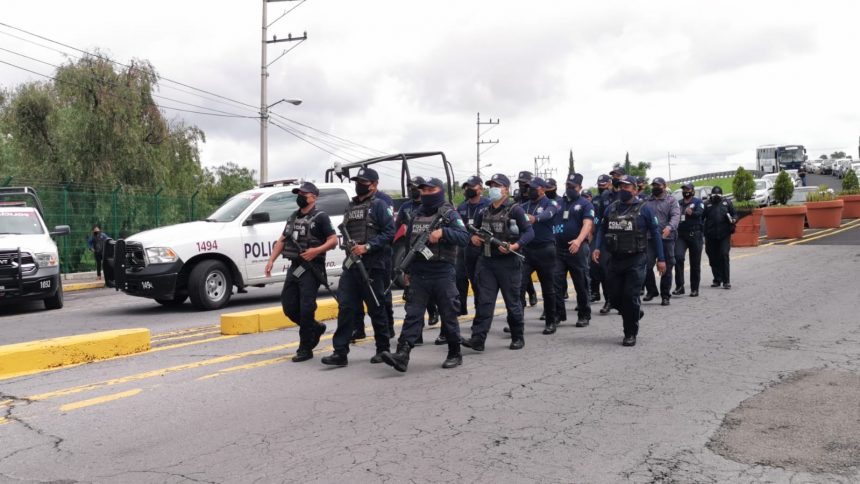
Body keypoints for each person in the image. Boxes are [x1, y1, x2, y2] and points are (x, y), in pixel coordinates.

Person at [380, 177, 469, 372]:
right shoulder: (416, 215)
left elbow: (464, 237)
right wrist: (407, 270)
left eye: (431, 190)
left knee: (448, 314)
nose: (426, 194)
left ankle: (455, 353)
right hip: (419, 273)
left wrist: (443, 233)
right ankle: (402, 355)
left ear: (440, 191)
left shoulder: (449, 214)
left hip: (442, 272)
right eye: (424, 191)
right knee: (413, 314)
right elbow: (409, 245)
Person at [322, 167, 395, 367]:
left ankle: (383, 349)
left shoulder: (379, 205)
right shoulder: (351, 206)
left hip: (372, 265)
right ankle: (340, 352)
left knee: (376, 308)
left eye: (363, 182)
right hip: (352, 265)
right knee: (346, 307)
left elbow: (390, 232)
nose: (359, 185)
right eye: (357, 181)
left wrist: (368, 246)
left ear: (374, 185)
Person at [264, 182, 338, 362]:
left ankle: (305, 348)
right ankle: (315, 327)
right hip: (296, 267)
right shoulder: (293, 217)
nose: (300, 197)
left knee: (306, 308)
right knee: (289, 306)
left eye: (303, 194)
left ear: (313, 197)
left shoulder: (321, 217)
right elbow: (282, 240)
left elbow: (333, 240)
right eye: (298, 194)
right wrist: (271, 260)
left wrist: (315, 251)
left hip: (312, 268)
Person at [462, 173, 534, 351]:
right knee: (484, 302)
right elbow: (474, 230)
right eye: (491, 186)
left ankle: (517, 336)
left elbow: (529, 232)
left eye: (497, 186)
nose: (493, 189)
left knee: (512, 302)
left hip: (509, 263)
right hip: (487, 262)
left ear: (506, 190)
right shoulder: (484, 211)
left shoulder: (515, 210)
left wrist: (515, 245)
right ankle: (478, 339)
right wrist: (474, 238)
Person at [593, 175, 665, 347]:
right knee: (614, 297)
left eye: (626, 187)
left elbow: (655, 234)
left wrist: (661, 259)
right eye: (620, 187)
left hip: (636, 259)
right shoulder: (611, 208)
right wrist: (597, 247)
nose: (622, 190)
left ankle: (630, 333)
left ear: (635, 189)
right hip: (615, 259)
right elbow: (602, 229)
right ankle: (634, 312)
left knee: (630, 296)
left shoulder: (645, 209)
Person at [397, 176, 440, 344]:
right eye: (411, 187)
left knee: (432, 292)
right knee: (413, 299)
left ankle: (433, 310)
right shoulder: (406, 207)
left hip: (433, 254)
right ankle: (416, 336)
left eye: (415, 187)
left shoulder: (433, 207)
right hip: (414, 252)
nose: (412, 190)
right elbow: (398, 227)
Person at [552, 173, 595, 327]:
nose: (569, 188)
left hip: (577, 248)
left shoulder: (585, 204)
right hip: (559, 249)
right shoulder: (558, 203)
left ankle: (584, 314)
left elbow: (588, 224)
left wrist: (578, 240)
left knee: (581, 282)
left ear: (580, 187)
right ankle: (558, 314)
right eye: (567, 185)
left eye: (573, 186)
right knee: (556, 282)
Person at [519, 177, 559, 334]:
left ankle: (551, 321)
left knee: (548, 288)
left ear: (542, 189)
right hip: (527, 251)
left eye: (533, 188)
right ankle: (517, 322)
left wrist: (535, 218)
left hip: (545, 250)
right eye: (528, 188)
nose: (529, 190)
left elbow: (549, 214)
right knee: (519, 286)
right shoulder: (524, 206)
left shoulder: (550, 203)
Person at [455, 176, 490, 316]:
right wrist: (470, 237)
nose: (468, 189)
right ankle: (460, 308)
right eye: (466, 187)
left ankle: (479, 311)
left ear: (480, 189)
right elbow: (458, 227)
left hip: (481, 249)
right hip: (464, 247)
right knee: (459, 278)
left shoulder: (488, 205)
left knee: (478, 281)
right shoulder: (462, 207)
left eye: (472, 187)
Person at [642, 177, 680, 306]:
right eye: (653, 185)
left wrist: (670, 227)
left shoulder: (671, 200)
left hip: (666, 238)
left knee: (667, 267)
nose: (655, 188)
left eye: (658, 185)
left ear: (664, 186)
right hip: (650, 238)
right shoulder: (647, 201)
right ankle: (652, 290)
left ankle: (665, 295)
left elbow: (676, 215)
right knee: (646, 265)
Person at [673, 183, 705, 297]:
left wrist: (692, 213)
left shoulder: (698, 202)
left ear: (692, 191)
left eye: (688, 189)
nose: (686, 191)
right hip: (681, 235)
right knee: (678, 257)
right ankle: (680, 286)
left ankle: (694, 288)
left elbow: (700, 213)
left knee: (695, 263)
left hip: (695, 235)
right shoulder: (679, 203)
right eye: (684, 189)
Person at [703, 186, 736, 290]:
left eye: (718, 194)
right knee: (712, 256)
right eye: (714, 194)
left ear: (722, 195)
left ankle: (726, 281)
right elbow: (701, 218)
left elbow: (735, 214)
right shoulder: (707, 204)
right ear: (711, 195)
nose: (716, 196)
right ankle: (717, 279)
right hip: (710, 235)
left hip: (724, 234)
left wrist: (734, 219)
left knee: (724, 255)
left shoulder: (727, 203)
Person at [515, 171, 539, 308]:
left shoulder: (535, 196)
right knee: (522, 270)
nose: (522, 186)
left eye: (524, 183)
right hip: (521, 237)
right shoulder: (518, 198)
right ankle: (528, 295)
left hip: (536, 237)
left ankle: (531, 293)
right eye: (520, 183)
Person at [592, 174, 615, 312]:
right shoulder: (602, 198)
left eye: (604, 185)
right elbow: (600, 221)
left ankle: (625, 301)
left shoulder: (624, 197)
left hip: (623, 238)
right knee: (603, 270)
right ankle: (609, 301)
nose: (601, 188)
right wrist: (597, 245)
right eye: (599, 185)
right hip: (606, 238)